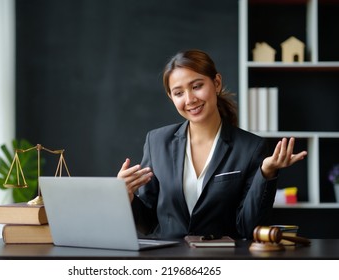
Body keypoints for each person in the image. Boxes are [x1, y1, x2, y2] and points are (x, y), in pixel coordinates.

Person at [117, 49, 307, 240]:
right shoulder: (157, 142)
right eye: (179, 93)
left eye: (197, 86)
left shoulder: (250, 147)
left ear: (216, 83)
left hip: (222, 260)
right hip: (169, 261)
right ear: (171, 97)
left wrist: (266, 173)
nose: (190, 99)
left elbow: (248, 228)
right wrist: (127, 195)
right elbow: (147, 223)